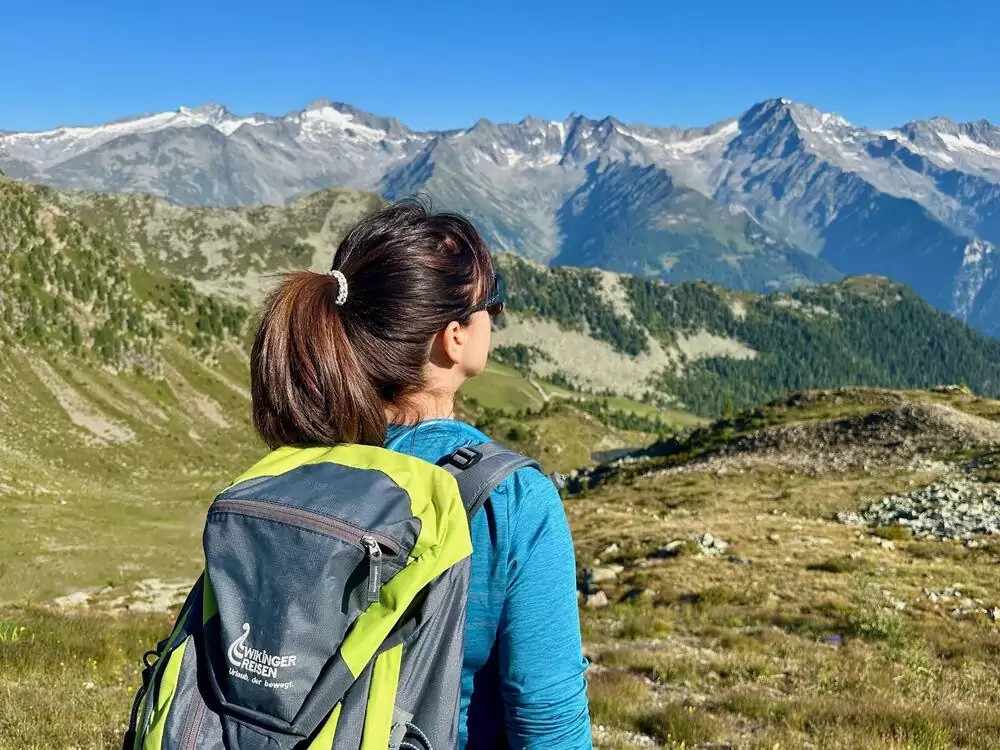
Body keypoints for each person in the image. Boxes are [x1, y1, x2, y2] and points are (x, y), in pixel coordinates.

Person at [249, 198, 592, 749]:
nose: (494, 317)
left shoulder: (297, 472)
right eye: (492, 304)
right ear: (453, 337)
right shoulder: (511, 498)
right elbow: (549, 721)